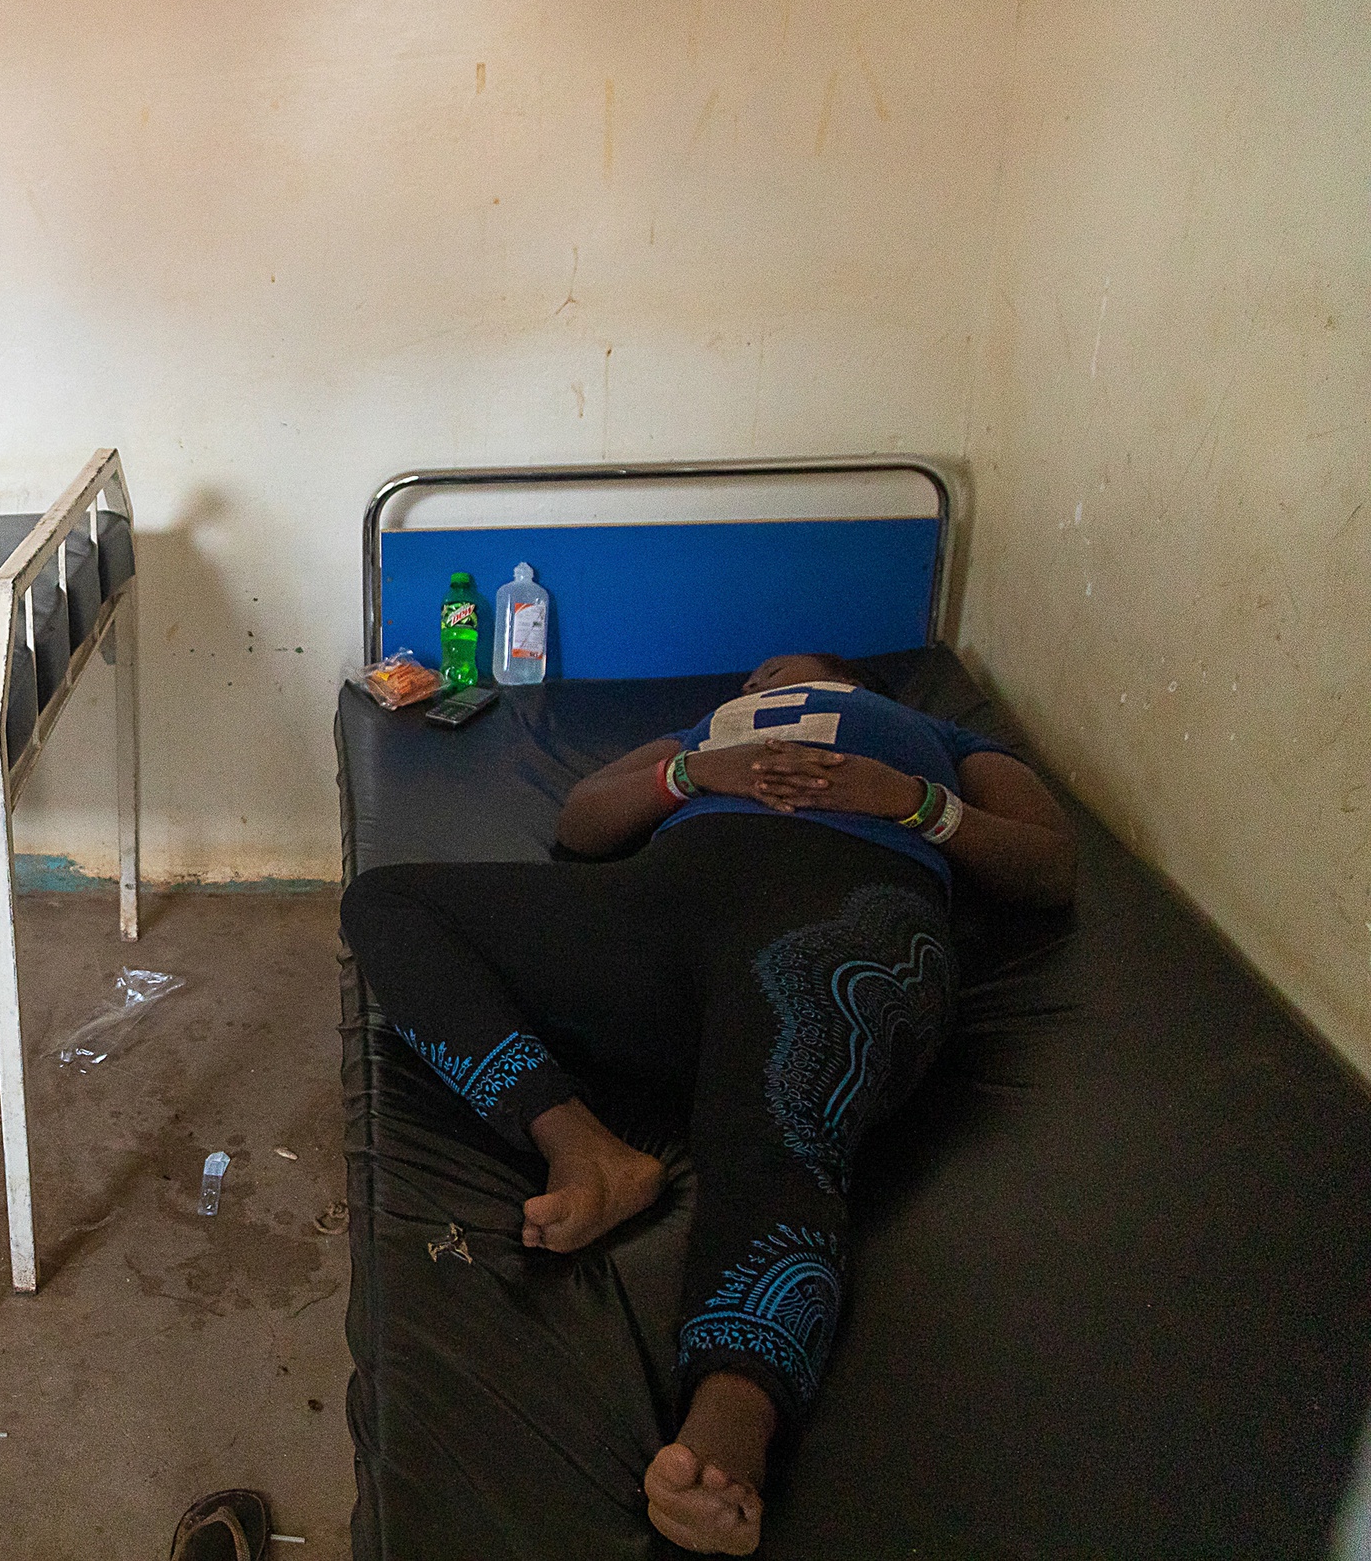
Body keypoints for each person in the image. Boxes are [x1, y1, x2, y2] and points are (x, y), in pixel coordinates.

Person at [338, 653, 1075, 1555]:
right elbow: (583, 824)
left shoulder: (942, 742)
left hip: (840, 910)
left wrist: (912, 801)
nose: (767, 676)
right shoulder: (714, 728)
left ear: (857, 686)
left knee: (779, 1113)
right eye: (757, 679)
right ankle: (583, 1145)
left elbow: (1047, 866)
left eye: (784, 669)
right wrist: (689, 773)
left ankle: (732, 1415)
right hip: (659, 910)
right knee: (389, 903)